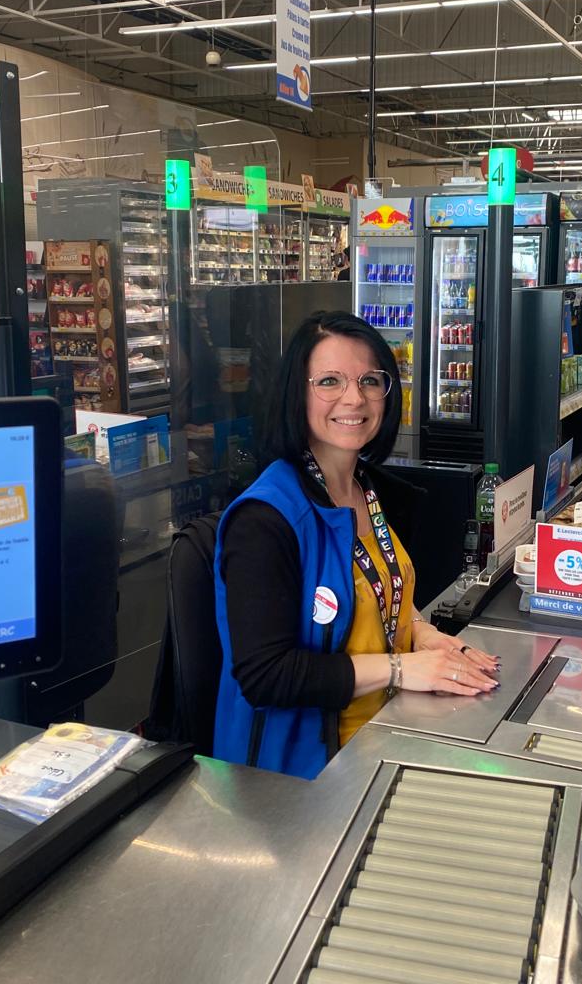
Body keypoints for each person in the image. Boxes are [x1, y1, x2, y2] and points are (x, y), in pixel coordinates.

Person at [213, 311, 499, 778]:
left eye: (370, 380)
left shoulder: (368, 487)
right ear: (296, 394)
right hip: (299, 775)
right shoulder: (264, 520)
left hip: (386, 736)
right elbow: (267, 676)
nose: (354, 397)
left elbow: (377, 587)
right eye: (329, 380)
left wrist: (422, 634)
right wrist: (402, 668)